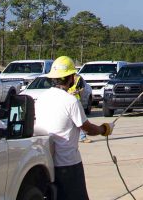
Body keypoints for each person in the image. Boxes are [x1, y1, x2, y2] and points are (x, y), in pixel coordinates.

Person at [33, 56, 113, 200]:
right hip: (68, 164)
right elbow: (87, 128)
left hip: (45, 164)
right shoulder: (70, 101)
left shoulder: (41, 98)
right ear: (70, 77)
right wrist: (104, 129)